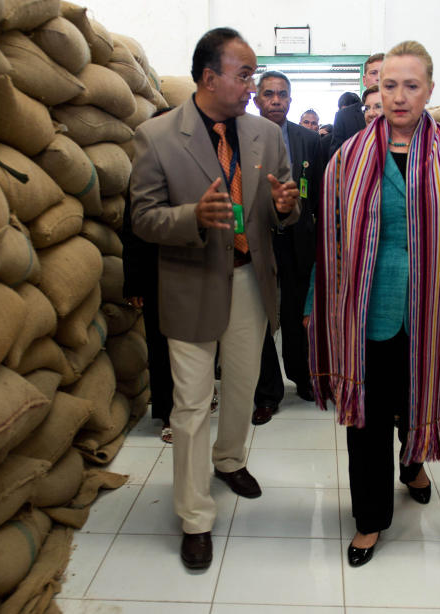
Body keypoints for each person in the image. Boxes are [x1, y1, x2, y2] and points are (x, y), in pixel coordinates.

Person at [306, 41, 440, 568]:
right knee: (367, 416)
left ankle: (413, 465)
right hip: (367, 310)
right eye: (388, 85)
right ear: (377, 88)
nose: (398, 96)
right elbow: (331, 240)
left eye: (410, 86)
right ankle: (369, 518)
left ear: (429, 90)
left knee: (419, 399)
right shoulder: (347, 158)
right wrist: (314, 302)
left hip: (436, 310)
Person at [129, 27, 300, 570]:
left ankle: (230, 460)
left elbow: (282, 209)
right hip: (190, 282)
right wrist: (191, 218)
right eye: (244, 74)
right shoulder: (156, 136)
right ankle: (194, 516)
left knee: (244, 385)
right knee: (191, 402)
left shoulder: (265, 136)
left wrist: (285, 205)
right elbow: (142, 218)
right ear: (209, 77)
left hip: (251, 278)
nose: (253, 85)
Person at [251, 71, 325, 425]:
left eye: (282, 94)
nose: (276, 100)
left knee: (298, 314)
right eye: (269, 94)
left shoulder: (308, 140)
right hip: (258, 240)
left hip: (299, 239)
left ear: (290, 101)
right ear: (257, 100)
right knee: (261, 316)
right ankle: (267, 393)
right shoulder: (242, 137)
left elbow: (320, 192)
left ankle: (304, 378)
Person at [122, 107, 177, 444]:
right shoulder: (143, 173)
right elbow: (132, 230)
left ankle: (195, 400)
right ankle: (169, 413)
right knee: (160, 342)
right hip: (157, 271)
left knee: (196, 342)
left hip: (196, 272)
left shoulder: (201, 167)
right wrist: (135, 281)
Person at [329, 52, 384, 156]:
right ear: (364, 80)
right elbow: (336, 160)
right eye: (373, 73)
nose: (379, 78)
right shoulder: (344, 117)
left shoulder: (403, 114)